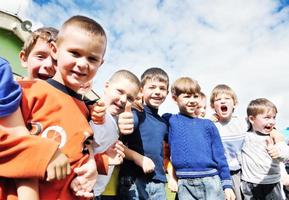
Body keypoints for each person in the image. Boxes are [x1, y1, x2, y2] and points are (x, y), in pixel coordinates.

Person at [17, 15, 107, 200]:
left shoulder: (85, 108)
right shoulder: (28, 92)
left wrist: (88, 168)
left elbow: (81, 149)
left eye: (92, 58)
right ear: (55, 50)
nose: (83, 63)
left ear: (100, 64)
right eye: (75, 53)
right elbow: (13, 142)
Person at [0, 57, 70, 199]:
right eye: (40, 56)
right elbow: (20, 144)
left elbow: (17, 137)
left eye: (56, 61)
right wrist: (42, 152)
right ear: (24, 58)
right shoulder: (19, 90)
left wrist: (91, 160)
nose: (49, 65)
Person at [163, 77, 235, 200]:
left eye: (195, 96)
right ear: (175, 99)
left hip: (212, 181)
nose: (192, 101)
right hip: (184, 184)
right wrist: (171, 176)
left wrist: (227, 184)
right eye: (187, 96)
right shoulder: (169, 120)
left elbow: (220, 156)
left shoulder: (208, 125)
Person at [118, 67, 169, 200]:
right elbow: (125, 126)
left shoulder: (163, 123)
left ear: (167, 93)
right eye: (152, 87)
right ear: (141, 90)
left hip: (158, 181)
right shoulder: (136, 112)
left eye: (162, 88)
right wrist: (126, 113)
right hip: (134, 180)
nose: (157, 92)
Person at [89, 69, 140, 200]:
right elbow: (77, 154)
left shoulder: (116, 120)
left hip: (97, 190)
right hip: (83, 189)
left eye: (130, 98)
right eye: (120, 91)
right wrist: (106, 160)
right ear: (106, 86)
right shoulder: (94, 115)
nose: (123, 100)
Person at [241, 98, 289, 199]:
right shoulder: (246, 135)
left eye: (274, 117)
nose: (272, 121)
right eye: (267, 118)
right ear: (252, 119)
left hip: (272, 183)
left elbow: (285, 152)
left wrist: (278, 152)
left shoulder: (274, 136)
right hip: (250, 183)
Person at [210, 84, 246, 200]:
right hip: (219, 173)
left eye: (227, 99)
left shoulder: (243, 123)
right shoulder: (210, 125)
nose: (222, 101)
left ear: (235, 104)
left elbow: (261, 125)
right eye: (218, 99)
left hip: (241, 173)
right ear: (212, 106)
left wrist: (274, 131)